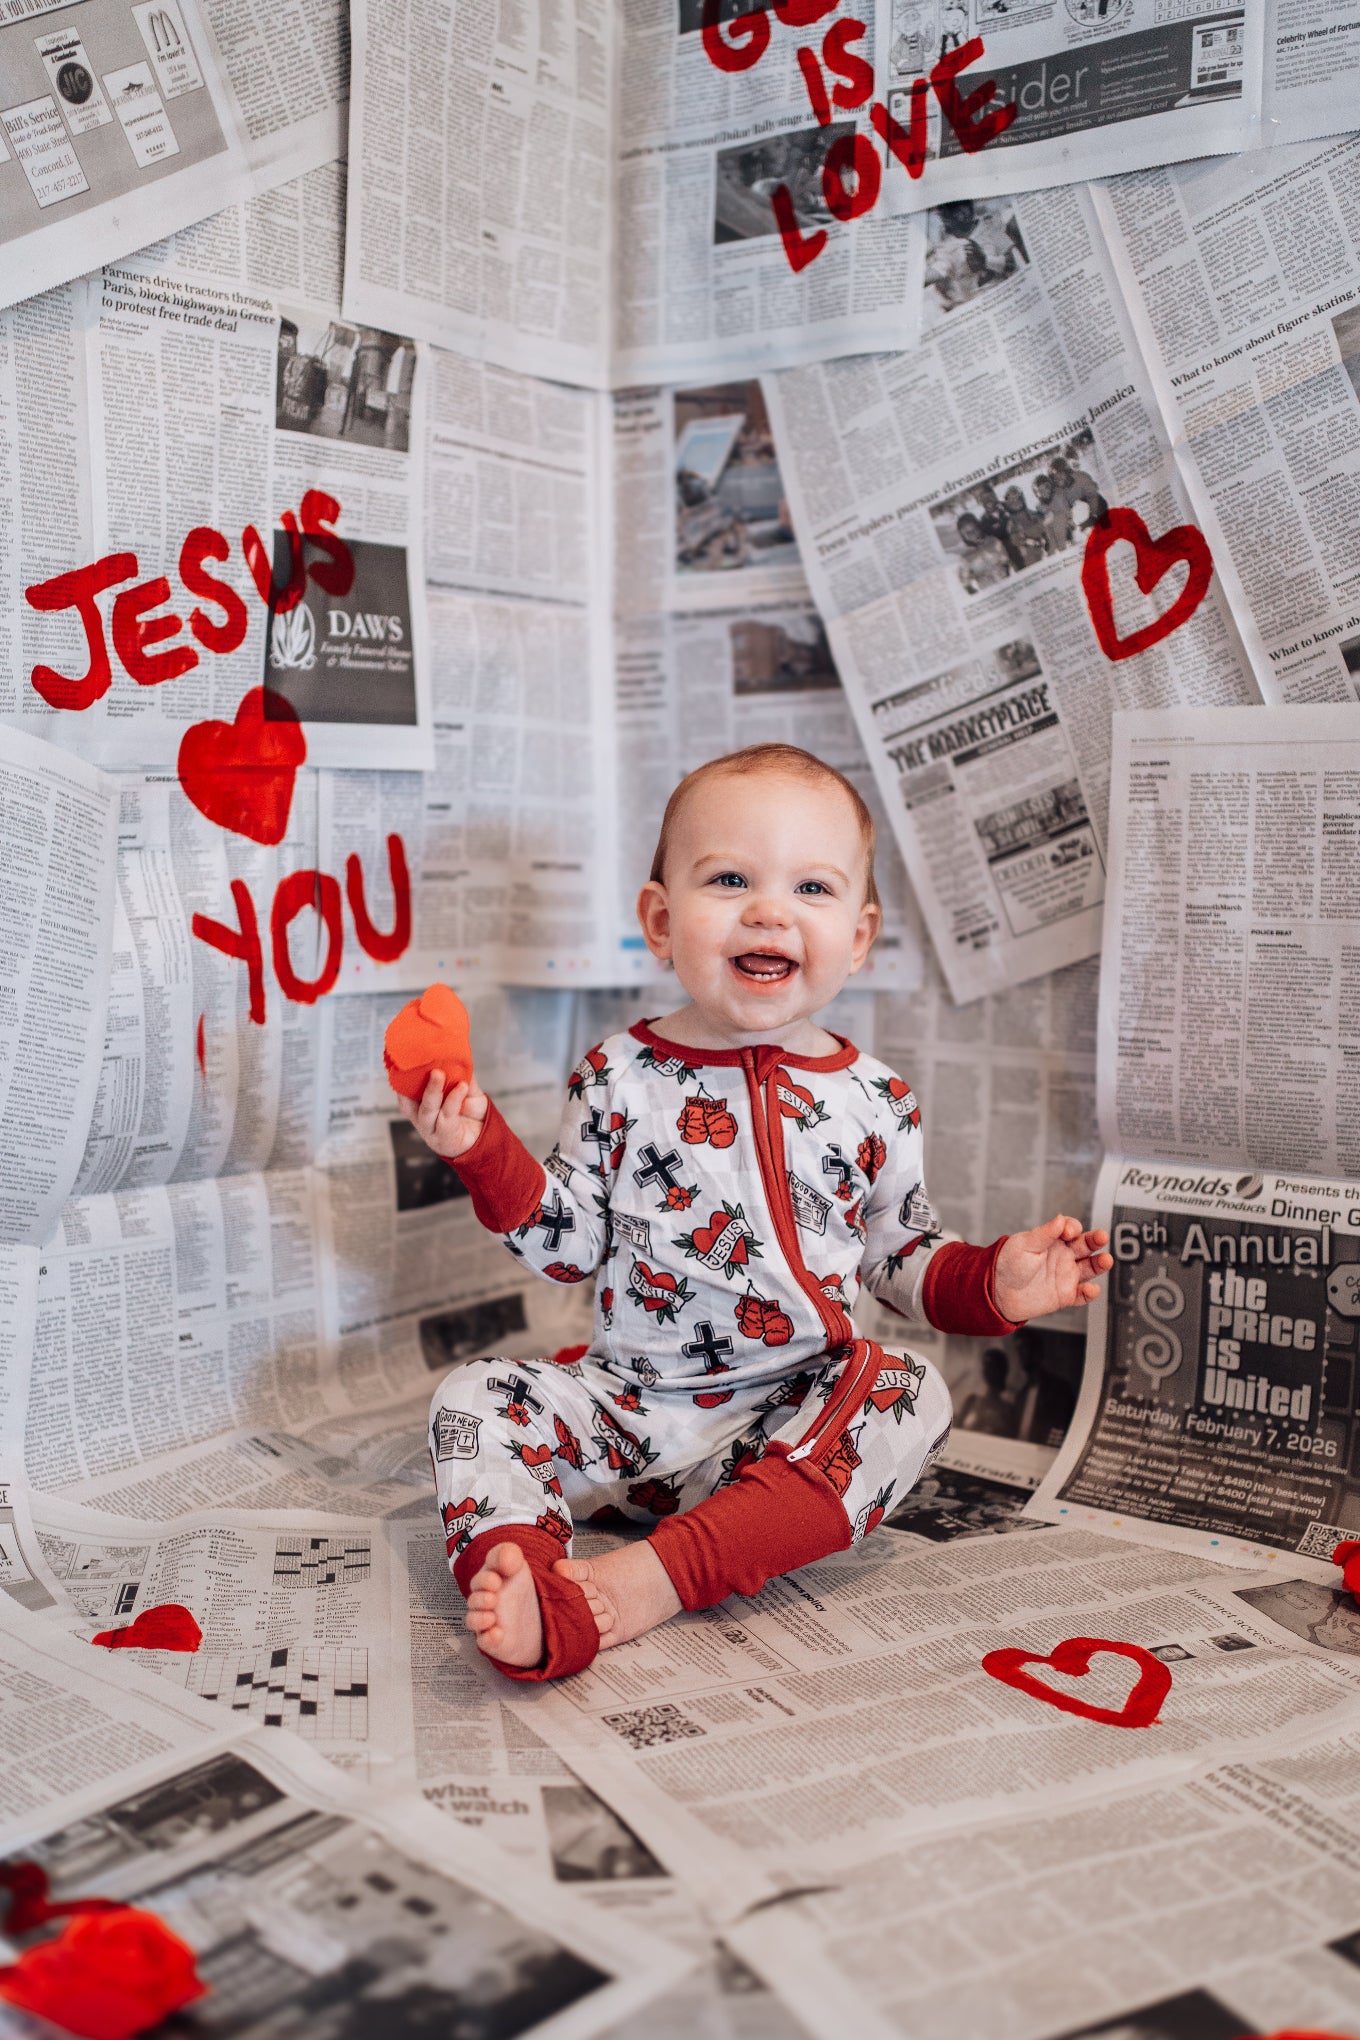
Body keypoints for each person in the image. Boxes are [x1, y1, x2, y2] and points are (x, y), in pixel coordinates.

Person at [400, 744, 1111, 1681]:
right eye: (729, 878)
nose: (769, 910)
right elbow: (569, 1245)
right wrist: (478, 1148)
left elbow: (899, 1260)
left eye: (811, 889)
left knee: (909, 1393)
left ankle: (646, 1581)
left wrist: (994, 1283)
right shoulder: (618, 1076)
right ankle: (535, 1581)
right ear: (662, 920)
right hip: (625, 1414)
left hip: (783, 1435)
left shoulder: (875, 1100)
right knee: (473, 1399)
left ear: (858, 937)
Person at [957, 1347, 1019, 1435]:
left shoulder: (1008, 1410)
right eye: (986, 1366)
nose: (988, 1371)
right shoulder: (971, 1401)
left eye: (993, 1367)